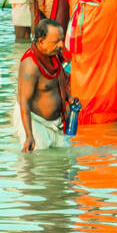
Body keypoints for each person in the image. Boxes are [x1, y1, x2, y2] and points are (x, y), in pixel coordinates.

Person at [15, 20, 71, 150]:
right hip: (34, 122)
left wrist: (69, 98)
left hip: (56, 123)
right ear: (41, 42)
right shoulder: (30, 65)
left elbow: (59, 83)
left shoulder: (55, 56)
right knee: (37, 164)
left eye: (62, 40)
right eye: (56, 41)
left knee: (65, 162)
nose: (62, 45)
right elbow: (24, 102)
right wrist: (29, 136)